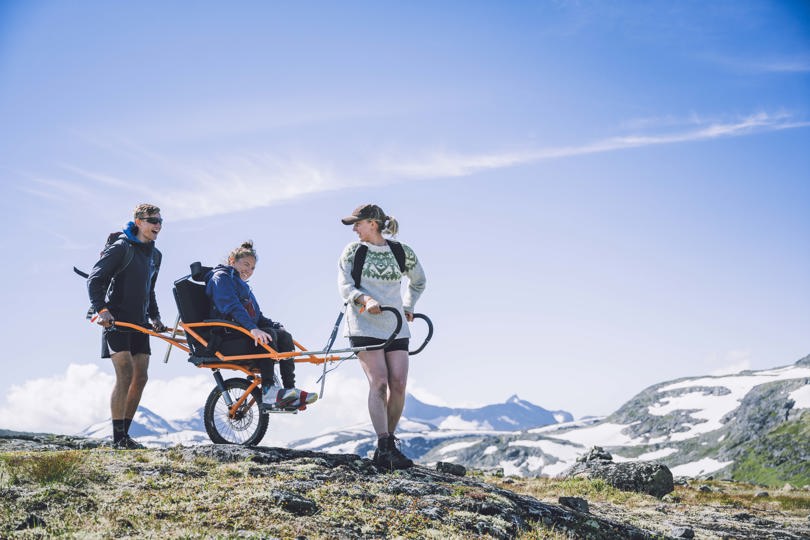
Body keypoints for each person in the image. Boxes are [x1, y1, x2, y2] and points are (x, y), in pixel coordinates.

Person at [338, 204, 426, 469]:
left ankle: (387, 448)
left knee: (398, 384)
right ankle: (384, 444)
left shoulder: (401, 251)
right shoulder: (353, 251)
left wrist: (408, 306)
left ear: (372, 223)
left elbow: (419, 280)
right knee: (379, 383)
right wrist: (365, 298)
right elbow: (345, 286)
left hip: (395, 325)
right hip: (363, 324)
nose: (354, 229)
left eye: (358, 223)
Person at [87, 203, 166, 450]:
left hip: (140, 322)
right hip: (116, 319)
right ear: (139, 221)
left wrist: (155, 317)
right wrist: (102, 309)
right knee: (126, 373)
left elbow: (149, 290)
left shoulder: (155, 255)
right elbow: (95, 279)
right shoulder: (121, 247)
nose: (158, 225)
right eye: (153, 220)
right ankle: (117, 437)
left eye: (160, 221)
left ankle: (125, 436)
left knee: (141, 377)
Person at [204, 241, 318, 410]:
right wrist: (253, 329)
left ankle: (289, 390)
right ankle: (268, 390)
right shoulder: (221, 278)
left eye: (252, 268)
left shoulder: (243, 286)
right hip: (226, 336)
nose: (248, 271)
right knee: (267, 334)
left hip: (242, 332)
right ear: (232, 260)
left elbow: (257, 316)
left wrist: (276, 325)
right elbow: (231, 306)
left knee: (283, 336)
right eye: (246, 265)